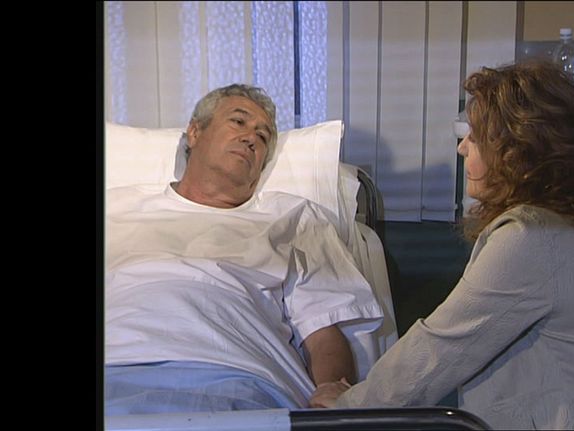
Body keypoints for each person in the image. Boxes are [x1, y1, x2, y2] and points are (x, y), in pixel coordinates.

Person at [310, 59, 574, 429]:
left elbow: (440, 348)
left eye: (475, 136)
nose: (463, 148)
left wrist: (349, 406)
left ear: (516, 152)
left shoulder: (533, 237)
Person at [105, 84, 382, 414]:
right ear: (194, 132)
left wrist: (332, 390)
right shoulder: (115, 207)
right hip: (113, 364)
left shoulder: (291, 218)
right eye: (238, 122)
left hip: (239, 377)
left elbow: (324, 326)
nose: (251, 138)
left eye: (262, 137)